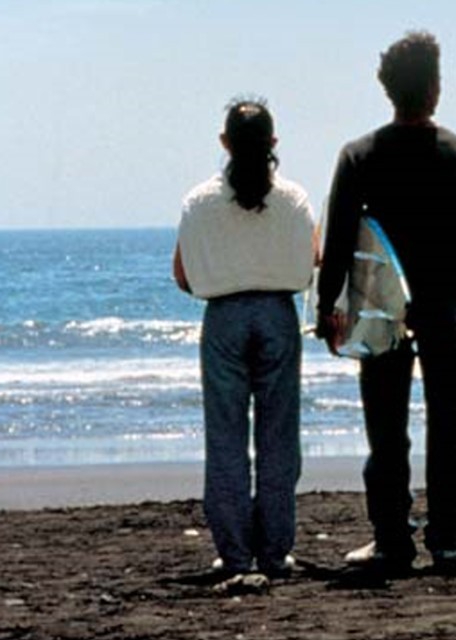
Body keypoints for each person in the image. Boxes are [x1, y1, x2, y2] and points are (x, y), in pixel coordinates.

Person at [315, 30, 456, 575]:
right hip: (445, 309)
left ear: (387, 89)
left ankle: (392, 539)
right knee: (448, 428)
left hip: (381, 313)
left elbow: (340, 240)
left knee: (385, 430)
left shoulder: (359, 156)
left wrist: (327, 308)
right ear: (435, 87)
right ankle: (447, 538)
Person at [173, 98, 317, 580]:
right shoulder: (293, 199)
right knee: (278, 438)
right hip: (277, 314)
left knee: (226, 438)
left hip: (224, 317)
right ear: (273, 143)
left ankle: (235, 552)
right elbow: (311, 261)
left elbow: (183, 276)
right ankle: (274, 551)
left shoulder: (199, 201)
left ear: (225, 143)